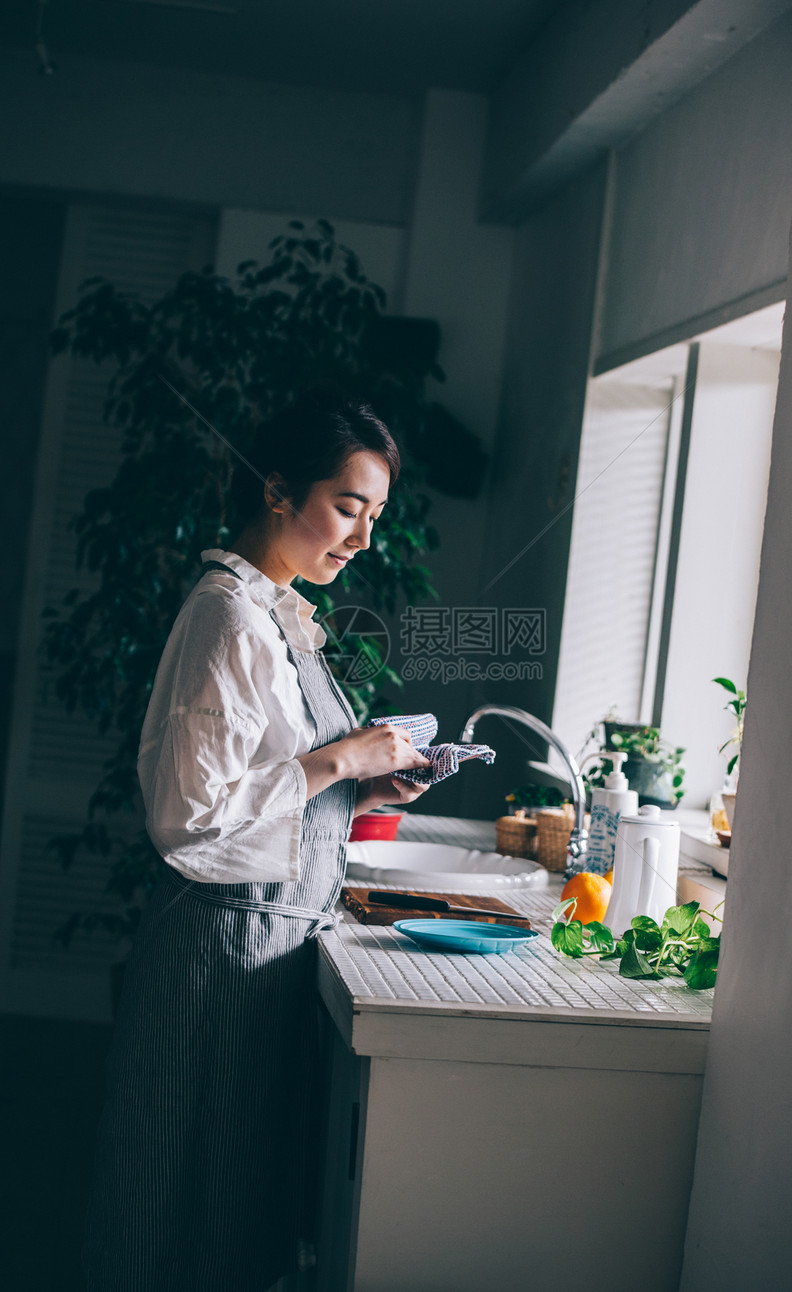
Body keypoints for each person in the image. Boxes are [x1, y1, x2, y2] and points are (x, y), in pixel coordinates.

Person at [83, 392, 431, 1292]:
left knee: (234, 1215)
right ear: (278, 489)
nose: (361, 538)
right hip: (219, 955)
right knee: (183, 1211)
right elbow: (191, 821)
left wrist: (356, 792)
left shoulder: (279, 616)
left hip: (267, 947)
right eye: (348, 506)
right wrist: (339, 756)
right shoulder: (228, 617)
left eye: (375, 516)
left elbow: (260, 799)